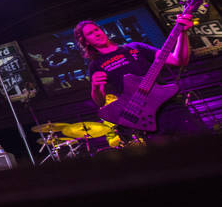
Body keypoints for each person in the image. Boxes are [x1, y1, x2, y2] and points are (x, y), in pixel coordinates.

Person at [73, 14, 206, 138]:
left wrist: (182, 33)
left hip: (170, 108)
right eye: (90, 33)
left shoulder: (135, 47)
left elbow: (178, 60)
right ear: (86, 42)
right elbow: (100, 102)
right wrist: (95, 87)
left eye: (96, 30)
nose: (96, 34)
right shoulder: (95, 65)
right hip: (144, 119)